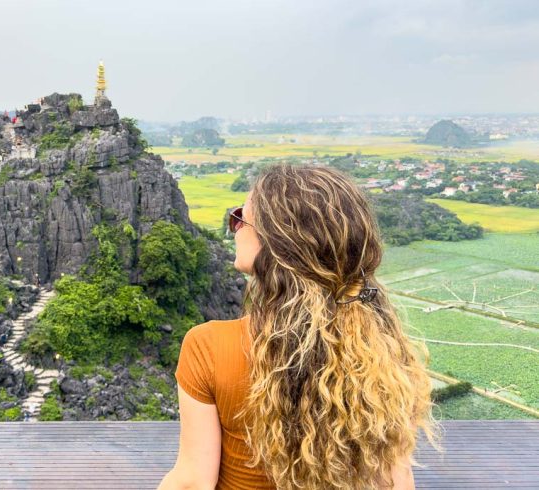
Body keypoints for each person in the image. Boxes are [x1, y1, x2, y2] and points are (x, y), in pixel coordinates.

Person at [158, 164, 444, 490]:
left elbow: (193, 482)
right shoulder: (383, 346)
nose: (234, 227)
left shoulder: (209, 347)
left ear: (275, 242)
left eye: (240, 217)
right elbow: (397, 480)